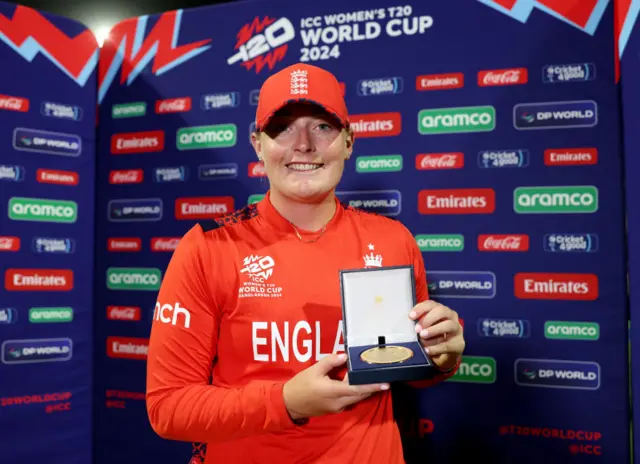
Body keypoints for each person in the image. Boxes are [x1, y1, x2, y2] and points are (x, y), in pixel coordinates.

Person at [146, 62, 465, 464]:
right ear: (257, 144)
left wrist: (443, 357)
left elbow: (412, 368)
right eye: (282, 127)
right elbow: (168, 408)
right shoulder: (209, 247)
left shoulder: (392, 240)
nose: (303, 144)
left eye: (323, 126)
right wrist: (286, 402)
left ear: (349, 141)